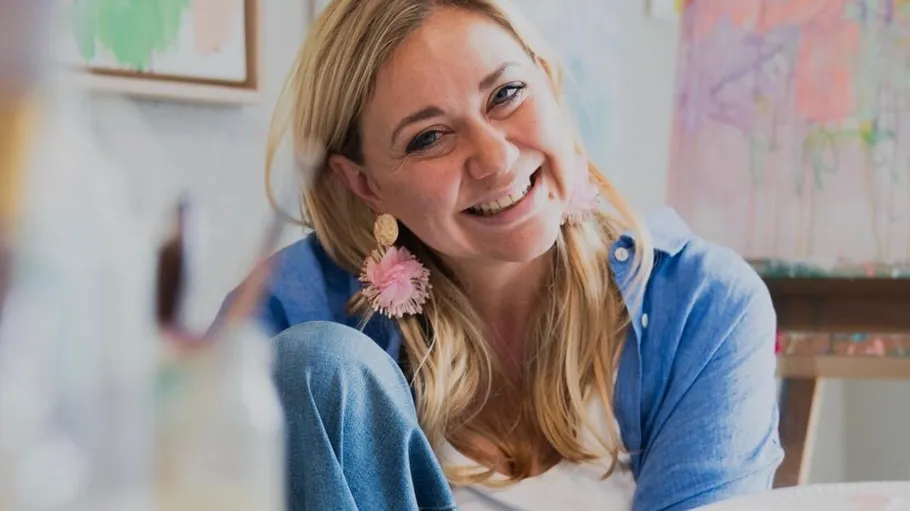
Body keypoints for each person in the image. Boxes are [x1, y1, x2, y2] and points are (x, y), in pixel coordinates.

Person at [218, 0, 784, 509]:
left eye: (506, 94)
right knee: (315, 362)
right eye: (429, 137)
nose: (494, 158)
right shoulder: (292, 311)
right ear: (365, 185)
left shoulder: (702, 305)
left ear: (550, 80)